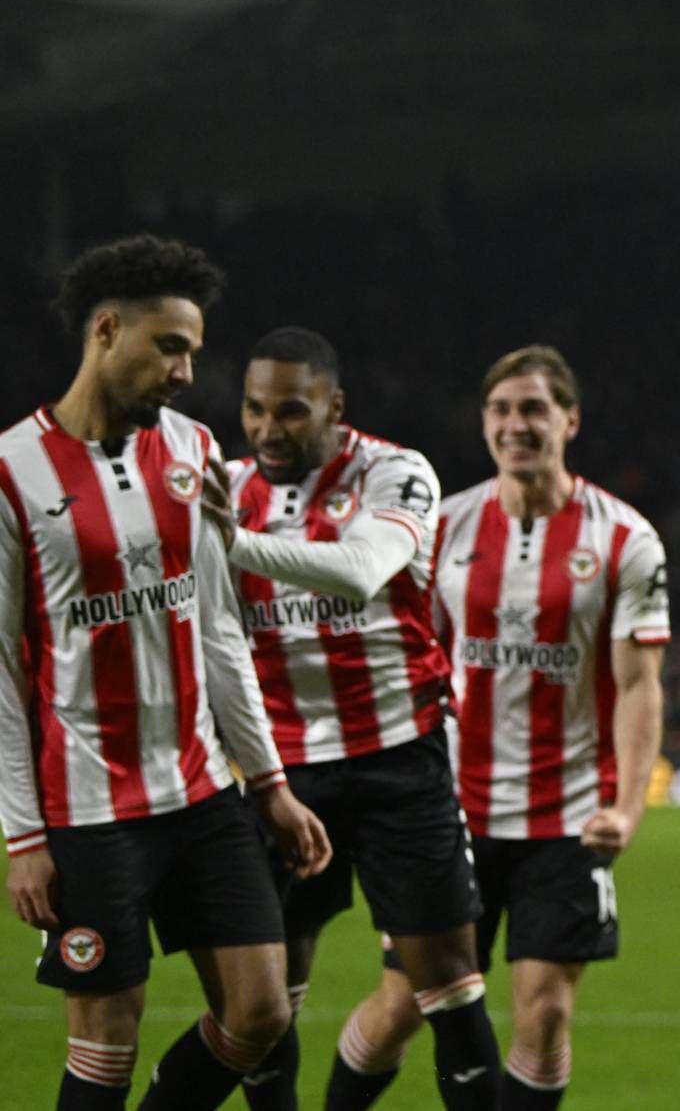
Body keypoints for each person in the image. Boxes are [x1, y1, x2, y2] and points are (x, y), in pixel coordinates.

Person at [0, 234, 331, 1110]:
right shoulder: (12, 472)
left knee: (261, 1013)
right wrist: (24, 838)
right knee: (104, 1046)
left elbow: (219, 629)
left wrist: (269, 783)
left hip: (200, 791)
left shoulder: (193, 450)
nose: (187, 371)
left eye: (193, 351)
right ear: (106, 330)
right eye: (170, 347)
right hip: (88, 809)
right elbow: (0, 671)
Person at [332, 345, 670, 1110]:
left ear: (570, 421)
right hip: (448, 811)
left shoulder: (626, 540)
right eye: (501, 410)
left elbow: (638, 686)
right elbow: (406, 663)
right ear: (484, 422)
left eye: (534, 410)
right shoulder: (444, 527)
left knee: (545, 1015)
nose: (516, 425)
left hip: (568, 816)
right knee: (402, 1006)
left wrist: (628, 807)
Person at [209, 327, 501, 1110]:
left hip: (396, 759)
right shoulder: (226, 485)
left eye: (291, 411)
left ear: (334, 406)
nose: (268, 429)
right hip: (278, 774)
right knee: (263, 999)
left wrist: (229, 542)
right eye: (255, 409)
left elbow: (361, 569)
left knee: (448, 984)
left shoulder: (394, 473)